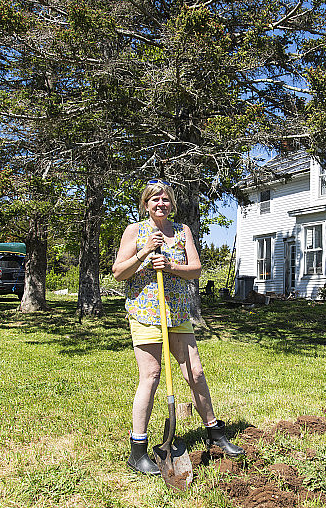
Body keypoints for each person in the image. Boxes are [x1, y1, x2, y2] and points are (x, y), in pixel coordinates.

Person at [112, 179, 244, 476]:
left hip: (178, 313)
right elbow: (119, 273)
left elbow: (195, 269)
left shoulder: (182, 231)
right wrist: (144, 252)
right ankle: (138, 450)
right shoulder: (135, 231)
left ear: (172, 203)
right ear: (146, 204)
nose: (161, 204)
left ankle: (214, 432)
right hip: (146, 313)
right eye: (155, 200)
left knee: (195, 372)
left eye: (166, 200)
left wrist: (170, 266)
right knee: (151, 376)